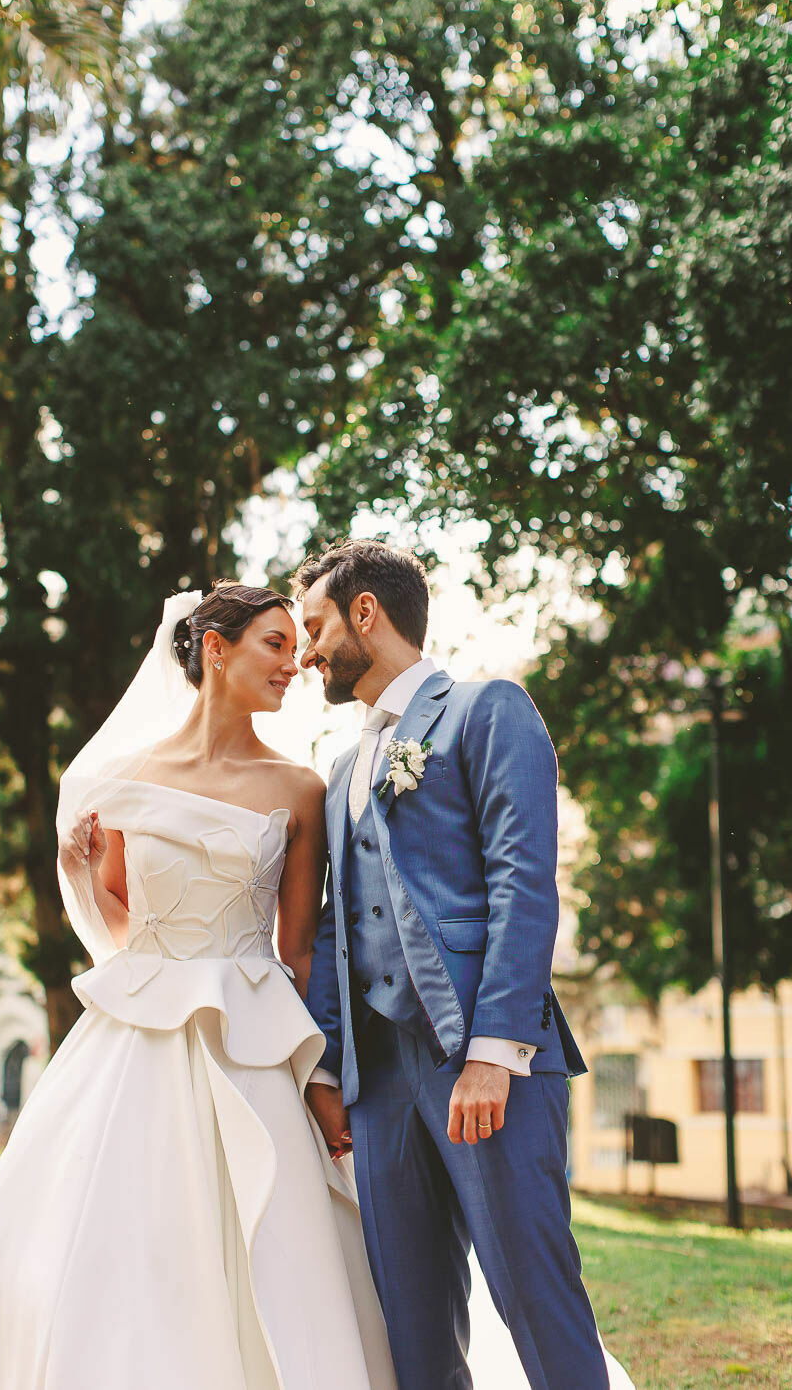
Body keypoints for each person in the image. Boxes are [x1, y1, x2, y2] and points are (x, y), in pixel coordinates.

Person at [0, 583, 396, 1390]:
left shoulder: (299, 789)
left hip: (250, 1048)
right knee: (120, 1238)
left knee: (272, 1240)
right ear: (214, 647)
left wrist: (322, 1076)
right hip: (131, 1047)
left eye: (294, 647)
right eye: (274, 644)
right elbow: (125, 936)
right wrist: (79, 870)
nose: (295, 663)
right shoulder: (121, 782)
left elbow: (300, 952)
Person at [297, 539, 633, 1390]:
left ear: (364, 613)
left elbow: (525, 882)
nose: (305, 653)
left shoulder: (488, 710)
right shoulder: (338, 771)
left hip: (481, 1064)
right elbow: (336, 924)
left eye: (315, 626)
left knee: (535, 1296)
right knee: (410, 1328)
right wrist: (329, 1067)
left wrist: (494, 1050)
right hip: (377, 1086)